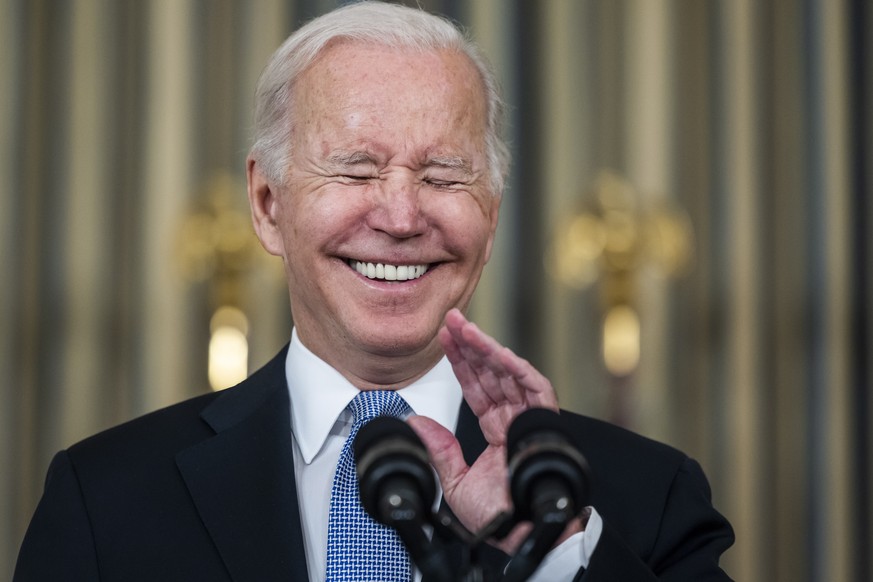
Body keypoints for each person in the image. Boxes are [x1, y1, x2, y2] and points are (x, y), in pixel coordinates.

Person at [14, 2, 734, 580]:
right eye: (355, 171)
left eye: (444, 176)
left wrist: (547, 547)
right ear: (268, 204)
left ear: (491, 212)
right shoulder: (104, 498)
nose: (398, 217)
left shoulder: (644, 496)